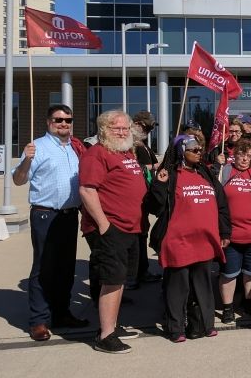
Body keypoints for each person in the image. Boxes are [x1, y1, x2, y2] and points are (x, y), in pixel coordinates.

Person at [12, 104, 89, 342]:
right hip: (45, 215)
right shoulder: (38, 147)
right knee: (44, 268)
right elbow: (18, 180)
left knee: (66, 269)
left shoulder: (74, 148)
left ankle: (61, 313)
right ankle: (39, 320)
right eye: (58, 120)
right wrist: (27, 159)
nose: (64, 124)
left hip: (69, 216)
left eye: (68, 120)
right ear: (48, 122)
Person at [147, 136, 231, 343]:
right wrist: (159, 184)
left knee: (202, 285)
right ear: (181, 151)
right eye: (193, 148)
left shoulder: (205, 173)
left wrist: (224, 232)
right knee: (178, 287)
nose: (199, 151)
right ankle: (176, 328)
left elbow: (221, 204)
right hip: (178, 240)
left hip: (205, 241)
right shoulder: (170, 174)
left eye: (200, 148)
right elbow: (154, 207)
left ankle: (203, 324)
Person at [79, 110, 148, 354]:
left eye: (125, 128)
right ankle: (105, 335)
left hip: (129, 227)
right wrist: (104, 225)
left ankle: (113, 326)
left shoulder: (126, 152)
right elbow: (87, 190)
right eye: (115, 128)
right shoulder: (96, 154)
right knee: (112, 280)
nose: (121, 132)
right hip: (110, 228)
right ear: (103, 130)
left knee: (119, 281)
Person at [217, 138, 251, 325]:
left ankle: (250, 305)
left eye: (248, 155)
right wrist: (218, 165)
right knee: (229, 274)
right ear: (234, 154)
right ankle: (228, 309)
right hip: (231, 235)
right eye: (241, 154)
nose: (245, 159)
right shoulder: (226, 171)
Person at [129, 111, 161, 290]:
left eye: (150, 128)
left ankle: (142, 271)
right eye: (145, 127)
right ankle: (132, 275)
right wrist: (153, 166)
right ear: (136, 123)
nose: (147, 130)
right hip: (136, 195)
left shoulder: (143, 144)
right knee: (135, 235)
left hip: (146, 193)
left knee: (142, 232)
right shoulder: (130, 145)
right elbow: (133, 167)